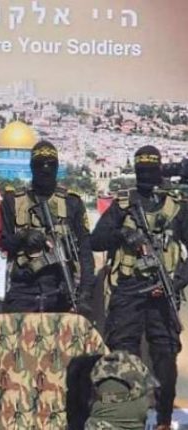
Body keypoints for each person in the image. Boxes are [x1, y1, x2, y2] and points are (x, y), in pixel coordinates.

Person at [91, 145, 185, 430]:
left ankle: (164, 420)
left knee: (165, 358)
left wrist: (175, 282)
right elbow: (96, 241)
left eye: (151, 171)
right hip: (129, 291)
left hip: (163, 292)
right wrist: (122, 234)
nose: (146, 177)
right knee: (124, 356)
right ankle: (127, 418)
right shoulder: (123, 205)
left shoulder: (176, 207)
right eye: (141, 171)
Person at [0, 140, 95, 312]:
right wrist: (22, 236)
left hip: (61, 290)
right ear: (31, 166)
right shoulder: (13, 201)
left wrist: (85, 293)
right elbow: (1, 244)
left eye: (51, 165)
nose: (45, 170)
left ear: (57, 167)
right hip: (22, 291)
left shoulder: (72, 203)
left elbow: (85, 251)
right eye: (40, 165)